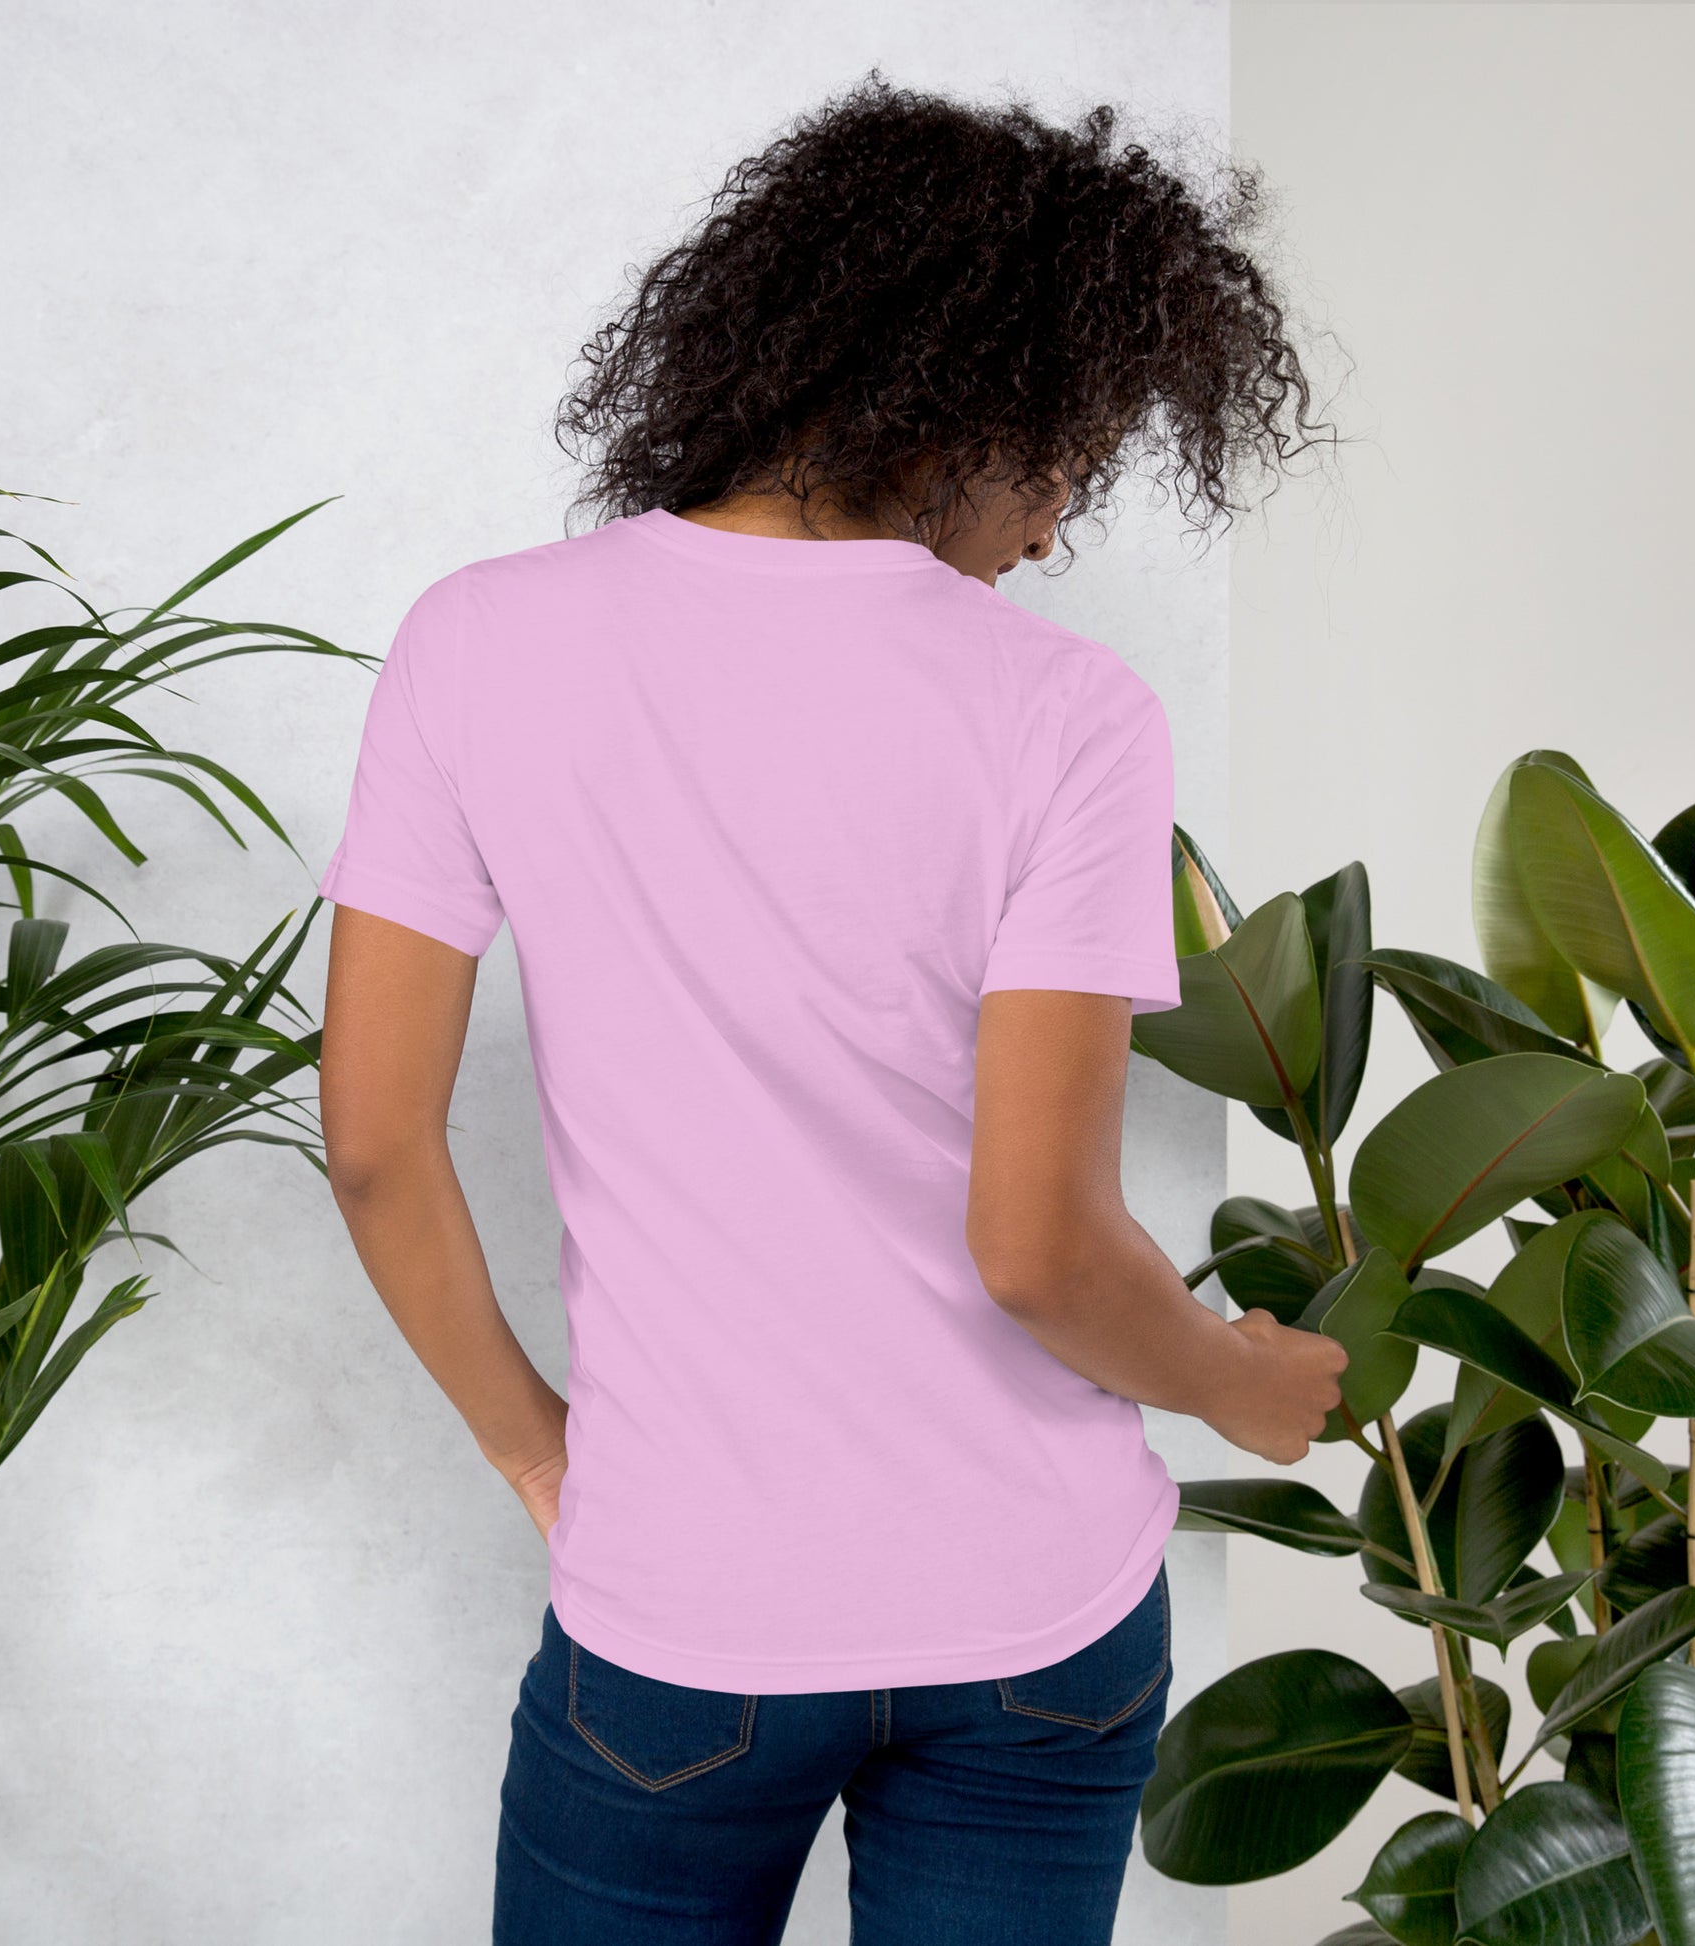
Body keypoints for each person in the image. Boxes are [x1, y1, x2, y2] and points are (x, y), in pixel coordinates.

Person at [318, 73, 1347, 1946]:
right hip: (1033, 1626)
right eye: (1068, 459)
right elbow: (1037, 1244)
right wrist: (1241, 1381)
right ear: (971, 399)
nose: (1049, 535)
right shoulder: (1067, 718)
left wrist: (533, 1447)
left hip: (683, 1617)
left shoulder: (479, 641)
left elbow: (376, 1144)